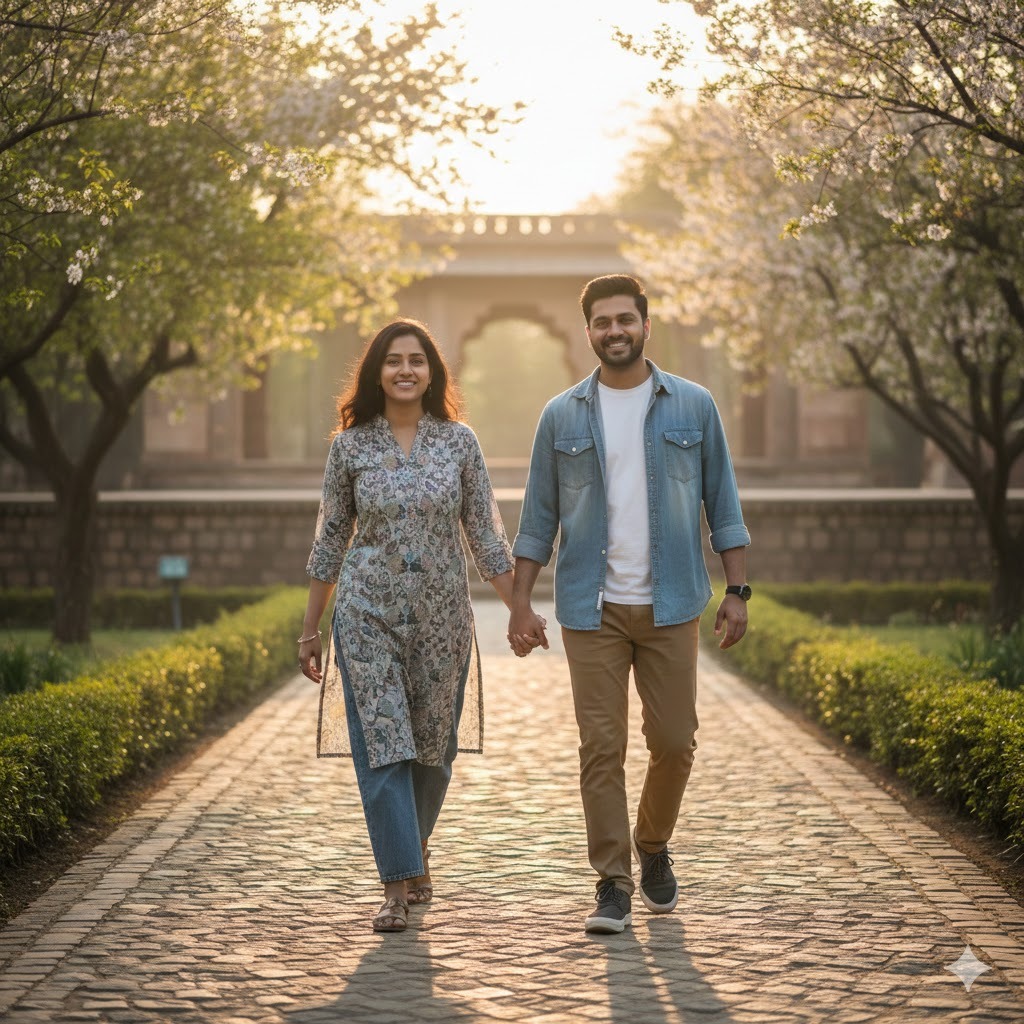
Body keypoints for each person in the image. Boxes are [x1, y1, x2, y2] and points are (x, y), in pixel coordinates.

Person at [507, 274, 751, 934]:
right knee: (602, 747)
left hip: (672, 603)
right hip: (593, 609)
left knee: (674, 743)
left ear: (646, 325)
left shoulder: (692, 407)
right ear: (587, 331)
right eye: (601, 322)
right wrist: (520, 603)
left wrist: (736, 591)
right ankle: (612, 881)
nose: (614, 331)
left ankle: (651, 844)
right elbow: (537, 518)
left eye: (625, 319)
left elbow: (722, 505)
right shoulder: (561, 416)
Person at [299, 318, 524, 933]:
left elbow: (485, 535)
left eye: (416, 360)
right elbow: (329, 543)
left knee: (434, 753)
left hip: (442, 620)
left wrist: (519, 608)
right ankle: (396, 886)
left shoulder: (459, 443)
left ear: (432, 372)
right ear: (376, 372)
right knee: (383, 747)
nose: (405, 370)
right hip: (366, 614)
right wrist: (311, 627)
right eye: (393, 360)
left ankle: (414, 850)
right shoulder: (350, 448)